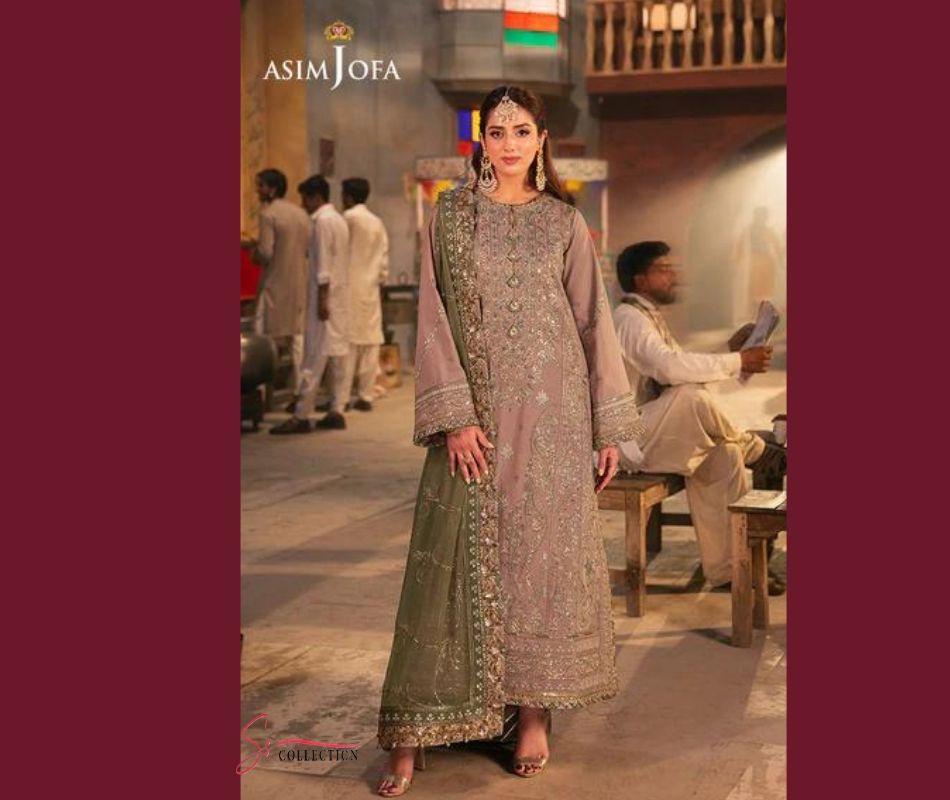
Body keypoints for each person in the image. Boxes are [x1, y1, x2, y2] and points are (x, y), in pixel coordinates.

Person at [376, 86, 642, 797]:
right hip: (479, 416)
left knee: (541, 558)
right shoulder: (452, 217)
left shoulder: (563, 221)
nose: (510, 144)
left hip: (556, 418)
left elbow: (593, 322)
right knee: (453, 558)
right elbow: (433, 316)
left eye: (522, 131)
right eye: (497, 132)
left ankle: (532, 713)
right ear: (480, 140)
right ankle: (425, 718)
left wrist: (608, 426)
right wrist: (455, 416)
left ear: (542, 139)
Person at [611, 240, 786, 594]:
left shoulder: (647, 314)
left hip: (654, 430)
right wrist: (738, 361)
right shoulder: (628, 318)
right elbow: (669, 369)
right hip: (628, 443)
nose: (674, 275)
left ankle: (729, 570)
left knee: (725, 454)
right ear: (640, 279)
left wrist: (730, 351)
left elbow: (679, 367)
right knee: (691, 398)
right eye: (663, 269)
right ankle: (759, 451)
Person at [270, 175, 351, 434]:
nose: (303, 204)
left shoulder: (322, 222)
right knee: (337, 356)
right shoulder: (339, 220)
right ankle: (337, 409)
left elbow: (323, 266)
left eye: (305, 198)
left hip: (324, 298)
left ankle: (302, 413)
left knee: (314, 356)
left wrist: (322, 300)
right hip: (339, 298)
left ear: (316, 197)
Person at [249, 169, 310, 391]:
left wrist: (253, 253)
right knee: (297, 338)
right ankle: (299, 390)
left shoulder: (269, 214)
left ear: (272, 189)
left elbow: (266, 252)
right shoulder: (301, 214)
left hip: (274, 284)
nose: (257, 190)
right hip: (298, 282)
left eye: (261, 185)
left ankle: (261, 389)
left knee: (261, 334)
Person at [341, 178, 389, 412]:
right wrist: (380, 280)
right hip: (370, 288)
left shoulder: (347, 219)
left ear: (348, 197)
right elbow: (384, 259)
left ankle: (341, 397)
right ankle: (366, 395)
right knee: (370, 342)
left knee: (348, 344)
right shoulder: (377, 222)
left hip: (348, 287)